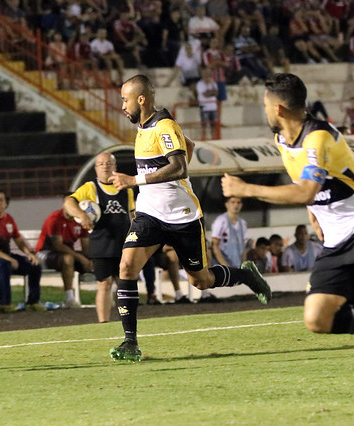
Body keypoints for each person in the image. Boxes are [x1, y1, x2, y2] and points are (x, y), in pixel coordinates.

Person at [107, 74, 271, 361]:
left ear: (141, 99)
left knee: (201, 281)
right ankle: (130, 342)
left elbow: (180, 166)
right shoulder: (145, 127)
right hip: (150, 215)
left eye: (125, 99)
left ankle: (246, 274)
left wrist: (135, 181)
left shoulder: (164, 126)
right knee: (126, 266)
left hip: (182, 216)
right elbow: (190, 146)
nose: (122, 106)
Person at [221, 73, 354, 336]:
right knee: (316, 318)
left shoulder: (318, 137)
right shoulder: (281, 141)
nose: (265, 111)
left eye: (265, 106)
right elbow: (302, 186)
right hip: (336, 242)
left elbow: (305, 191)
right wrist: (313, 214)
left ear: (278, 109)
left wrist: (245, 189)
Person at [64, 152, 135, 321]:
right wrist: (82, 215)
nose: (105, 167)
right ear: (96, 168)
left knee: (125, 284)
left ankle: (128, 322)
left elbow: (132, 215)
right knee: (104, 283)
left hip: (124, 243)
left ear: (115, 167)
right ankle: (103, 323)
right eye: (101, 164)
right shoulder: (90, 188)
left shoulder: (126, 189)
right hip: (101, 243)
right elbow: (68, 202)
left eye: (109, 163)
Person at [0, 189, 43, 313]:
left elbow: (19, 240)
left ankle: (33, 302)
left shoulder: (9, 219)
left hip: (6, 257)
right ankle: (5, 304)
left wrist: (29, 254)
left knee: (34, 265)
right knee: (3, 265)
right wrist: (9, 259)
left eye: (1, 200)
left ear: (6, 203)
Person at [35, 203, 91, 308]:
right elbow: (58, 245)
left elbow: (85, 246)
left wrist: (90, 259)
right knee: (68, 259)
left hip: (68, 253)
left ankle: (113, 294)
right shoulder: (55, 218)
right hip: (45, 253)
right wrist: (81, 258)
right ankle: (69, 299)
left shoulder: (80, 219)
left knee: (100, 260)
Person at [196, 67, 219, 139]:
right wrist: (212, 92)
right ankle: (204, 138)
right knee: (204, 125)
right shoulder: (200, 84)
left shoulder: (213, 83)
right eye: (205, 73)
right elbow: (204, 94)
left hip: (213, 107)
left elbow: (216, 93)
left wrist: (211, 92)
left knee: (214, 125)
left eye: (208, 73)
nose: (207, 75)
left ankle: (214, 138)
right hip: (204, 107)